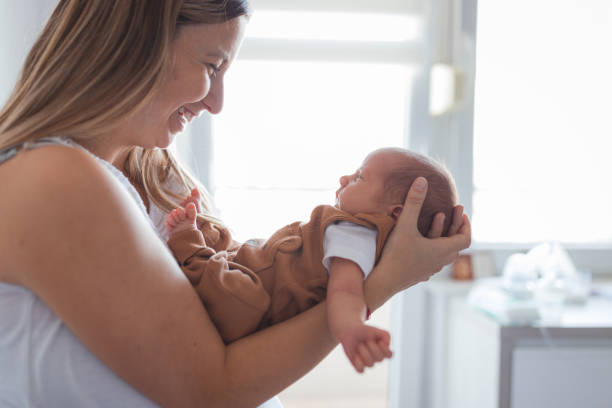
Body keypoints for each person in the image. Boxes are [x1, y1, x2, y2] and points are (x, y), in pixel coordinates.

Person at [0, 1, 471, 406]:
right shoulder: (54, 180)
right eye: (211, 66)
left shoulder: (158, 176)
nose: (216, 102)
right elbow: (212, 390)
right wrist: (380, 284)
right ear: (135, 46)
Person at [164, 147, 458, 373]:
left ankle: (186, 242)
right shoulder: (358, 234)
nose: (345, 178)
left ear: (395, 213)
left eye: (359, 177)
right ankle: (200, 237)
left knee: (224, 287)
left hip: (251, 296)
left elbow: (345, 291)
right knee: (225, 244)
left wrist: (351, 328)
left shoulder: (357, 234)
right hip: (254, 268)